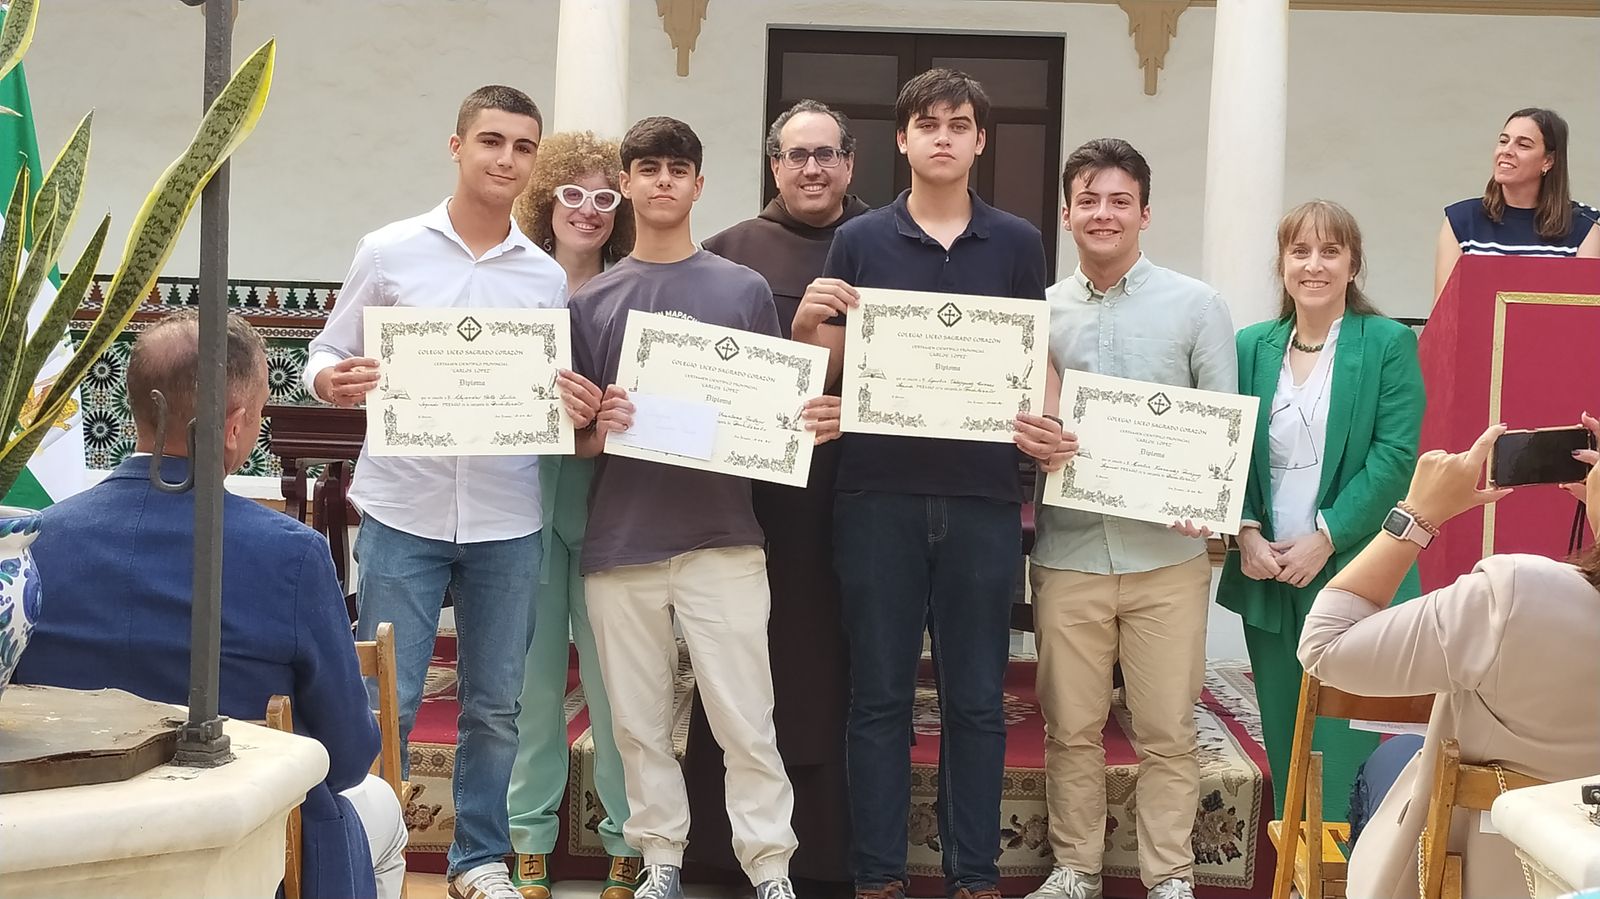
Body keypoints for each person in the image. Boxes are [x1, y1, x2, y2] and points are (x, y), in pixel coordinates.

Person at [304, 85, 603, 899]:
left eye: (523, 146)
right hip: (404, 506)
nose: (506, 159)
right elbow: (324, 350)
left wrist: (571, 402)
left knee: (496, 704)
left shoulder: (543, 277)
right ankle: (367, 854)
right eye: (491, 141)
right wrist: (333, 378)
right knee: (388, 698)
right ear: (457, 145)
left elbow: (545, 392)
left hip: (507, 513)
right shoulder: (389, 250)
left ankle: (479, 860)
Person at [15, 311, 408, 899]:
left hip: (66, 849)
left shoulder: (30, 544)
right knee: (382, 814)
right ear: (235, 426)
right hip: (243, 849)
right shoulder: (291, 554)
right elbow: (349, 755)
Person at [794, 69, 1068, 899]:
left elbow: (1032, 350)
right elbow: (827, 363)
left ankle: (973, 874)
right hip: (876, 493)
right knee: (879, 695)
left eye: (958, 124)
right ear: (903, 139)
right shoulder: (860, 240)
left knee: (976, 698)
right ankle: (878, 874)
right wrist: (807, 322)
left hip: (984, 497)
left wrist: (1053, 423)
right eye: (927, 124)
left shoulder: (1017, 241)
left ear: (980, 140)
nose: (942, 136)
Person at [569, 115, 841, 899]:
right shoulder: (595, 300)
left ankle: (770, 866)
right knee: (638, 722)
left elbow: (766, 411)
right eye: (648, 168)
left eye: (677, 169)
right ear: (627, 183)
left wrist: (799, 422)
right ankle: (661, 859)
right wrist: (600, 425)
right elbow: (578, 442)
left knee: (746, 716)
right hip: (622, 541)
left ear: (698, 183)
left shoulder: (741, 288)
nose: (663, 181)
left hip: (724, 537)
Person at [1024, 139, 1236, 899]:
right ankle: (1075, 867)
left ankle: (1169, 875)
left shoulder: (1197, 306)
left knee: (1168, 729)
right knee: (1071, 727)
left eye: (1120, 200)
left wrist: (1208, 496)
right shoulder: (1039, 314)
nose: (1103, 214)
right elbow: (1023, 419)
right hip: (1069, 551)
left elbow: (1221, 423)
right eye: (1088, 200)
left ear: (1145, 213)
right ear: (1066, 213)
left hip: (1166, 560)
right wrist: (1035, 441)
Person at [683, 98, 869, 898]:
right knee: (746, 656)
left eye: (826, 154)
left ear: (850, 163)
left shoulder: (883, 246)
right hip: (759, 499)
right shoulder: (728, 255)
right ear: (774, 165)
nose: (812, 168)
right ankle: (726, 849)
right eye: (797, 154)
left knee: (843, 660)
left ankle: (829, 850)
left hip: (858, 489)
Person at [1297, 415, 1600, 899]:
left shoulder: (1516, 597)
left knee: (1393, 760)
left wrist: (1416, 516)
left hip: (1479, 871)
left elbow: (1325, 647)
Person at [1217, 199, 1426, 826]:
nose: (1314, 265)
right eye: (1300, 251)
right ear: (1282, 263)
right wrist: (1246, 532)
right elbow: (1228, 444)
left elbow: (1395, 456)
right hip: (1267, 567)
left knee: (1342, 738)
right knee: (1286, 732)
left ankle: (1349, 864)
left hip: (1351, 566)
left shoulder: (1387, 342)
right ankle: (1294, 864)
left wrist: (1326, 537)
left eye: (1330, 251)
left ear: (1353, 265)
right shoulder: (1250, 346)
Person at [504, 131, 640, 899]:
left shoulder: (632, 292)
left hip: (607, 501)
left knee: (618, 682)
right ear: (547, 198)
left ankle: (628, 836)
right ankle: (529, 835)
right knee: (533, 682)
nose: (588, 210)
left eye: (604, 197)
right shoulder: (512, 287)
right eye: (573, 193)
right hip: (522, 496)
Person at [1433, 107, 1600, 300]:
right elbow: (1445, 310)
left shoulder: (1585, 226)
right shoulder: (1461, 220)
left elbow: (1584, 311)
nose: (1506, 151)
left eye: (1523, 145)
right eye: (1503, 141)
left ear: (1548, 161)